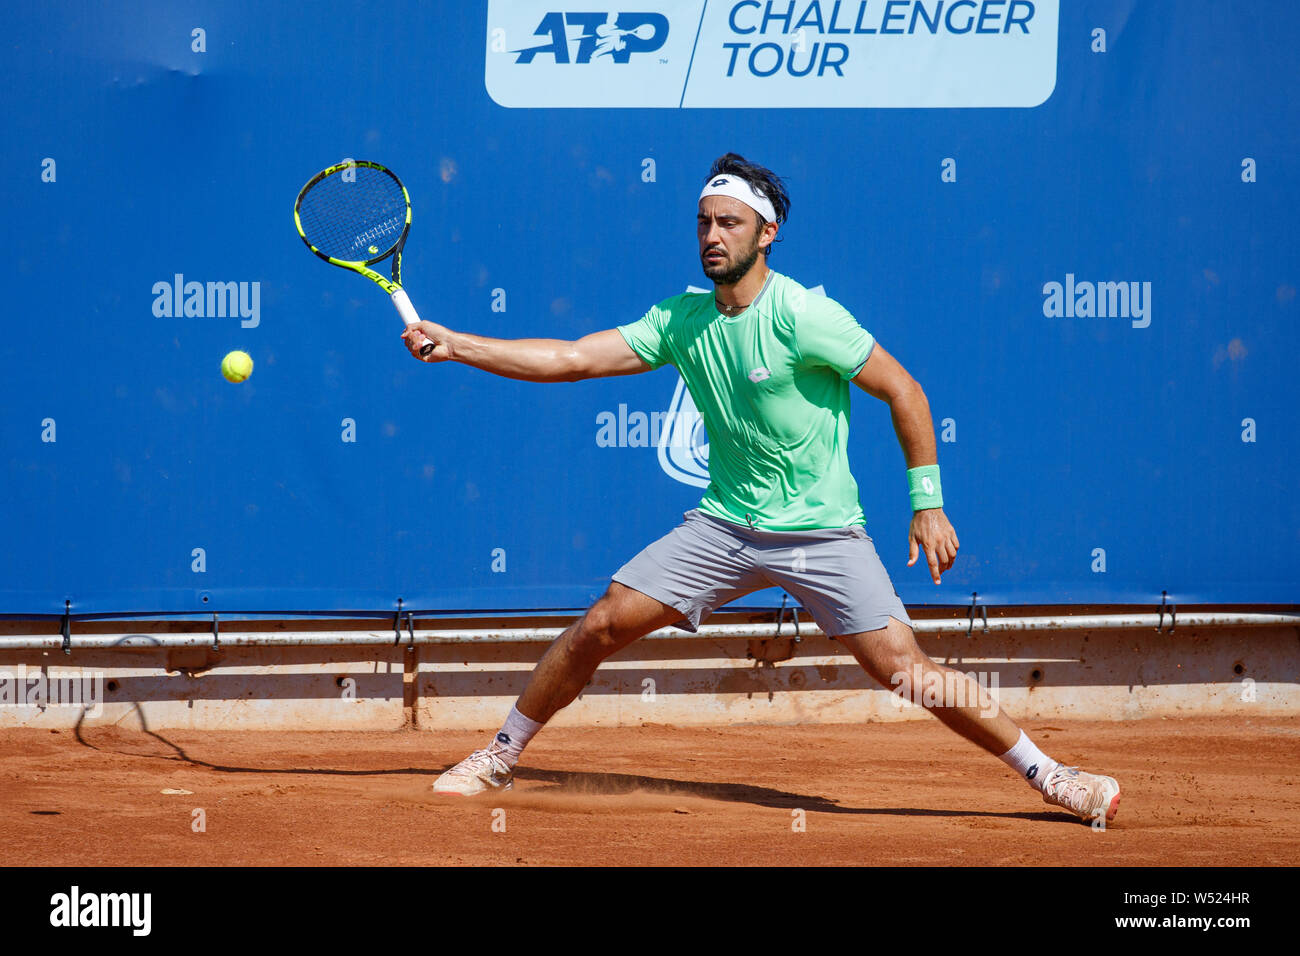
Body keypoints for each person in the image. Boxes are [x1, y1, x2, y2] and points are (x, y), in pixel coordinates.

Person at [401, 153, 1121, 825]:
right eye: (704, 222)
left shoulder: (806, 315)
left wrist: (926, 501)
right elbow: (571, 359)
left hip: (821, 534)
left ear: (767, 233)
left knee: (908, 672)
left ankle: (1052, 775)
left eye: (729, 222)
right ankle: (499, 755)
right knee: (600, 624)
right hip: (725, 529)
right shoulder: (681, 320)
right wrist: (459, 344)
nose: (712, 236)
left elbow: (904, 389)